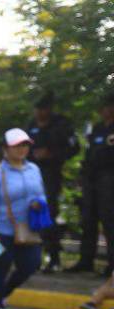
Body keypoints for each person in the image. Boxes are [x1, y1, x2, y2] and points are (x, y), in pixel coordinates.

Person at [0, 128, 48, 309]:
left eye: (25, 145)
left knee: (31, 264)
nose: (22, 149)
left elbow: (41, 192)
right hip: (0, 233)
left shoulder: (34, 169)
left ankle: (3, 294)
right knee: (0, 266)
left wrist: (39, 202)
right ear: (5, 149)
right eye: (17, 145)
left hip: (28, 231)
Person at [24, 94, 78, 273]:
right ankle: (33, 257)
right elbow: (22, 148)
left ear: (49, 109)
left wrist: (52, 154)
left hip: (51, 174)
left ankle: (53, 257)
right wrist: (32, 155)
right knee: (30, 213)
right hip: (31, 174)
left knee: (48, 213)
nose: (39, 112)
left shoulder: (61, 124)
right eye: (37, 109)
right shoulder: (31, 125)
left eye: (43, 108)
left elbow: (73, 147)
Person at [73, 93, 114, 277]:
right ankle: (85, 261)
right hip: (92, 178)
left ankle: (111, 264)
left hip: (109, 178)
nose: (105, 110)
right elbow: (89, 153)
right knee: (88, 219)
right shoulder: (97, 128)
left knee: (109, 221)